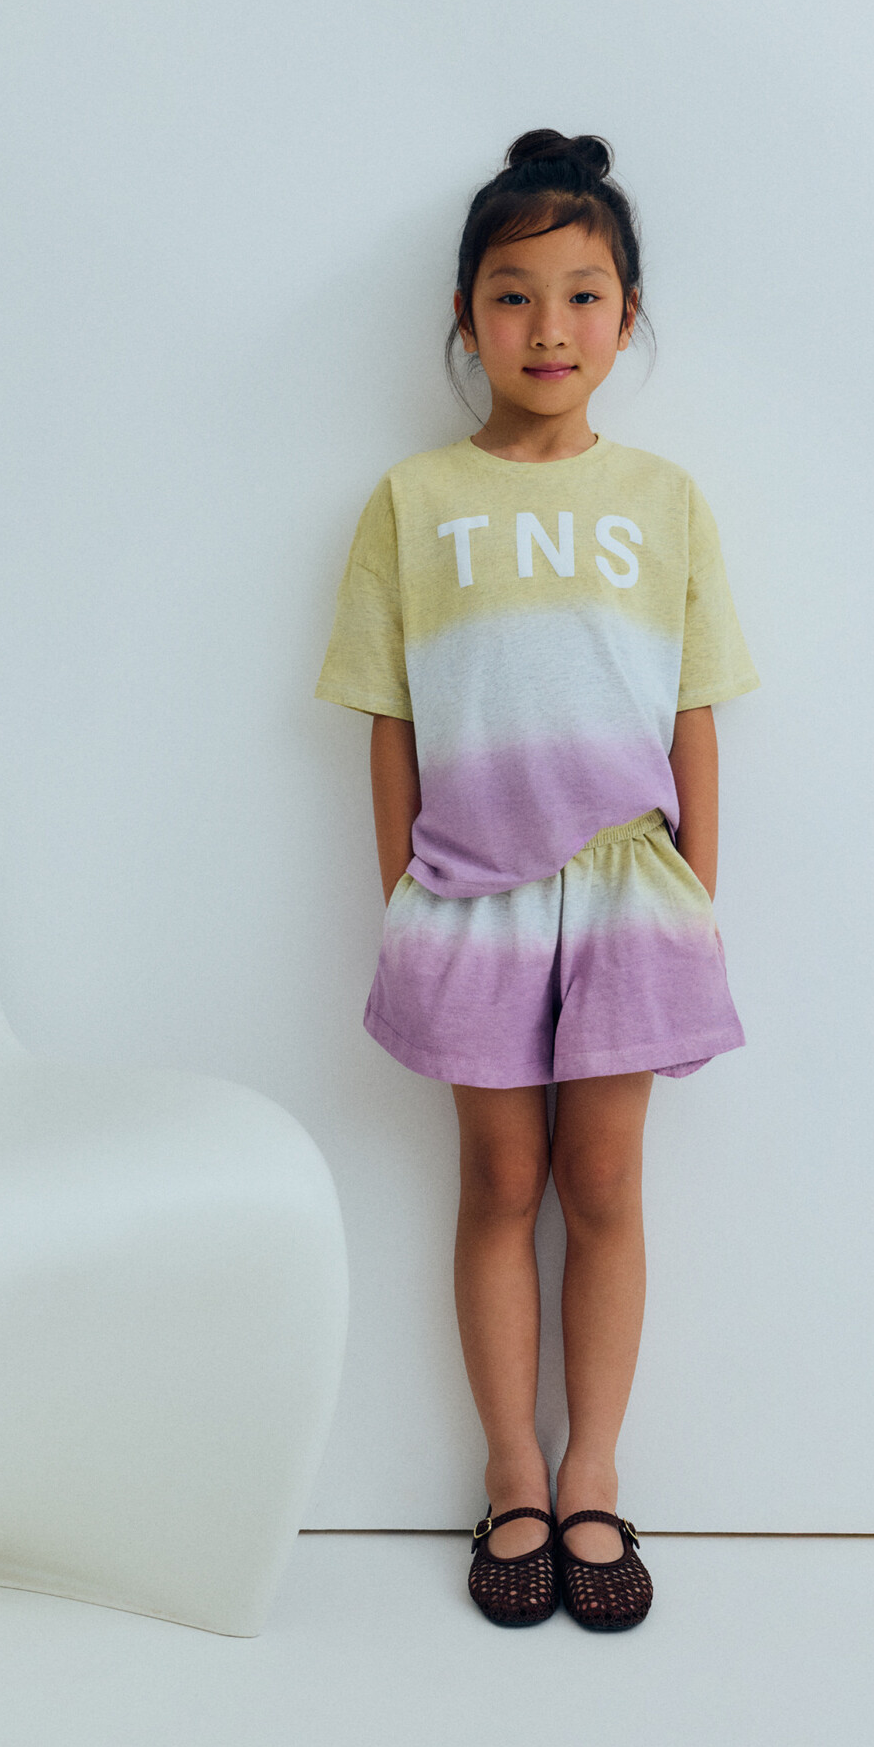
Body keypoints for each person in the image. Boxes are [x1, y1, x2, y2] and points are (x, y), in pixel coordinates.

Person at [315, 129, 759, 1631]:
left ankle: (593, 1474)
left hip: (631, 893)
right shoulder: (412, 501)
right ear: (465, 317)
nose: (548, 327)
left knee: (604, 1182)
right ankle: (512, 1468)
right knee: (500, 1178)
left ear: (626, 317)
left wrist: (698, 893)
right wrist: (406, 893)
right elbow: (387, 721)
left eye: (582, 295)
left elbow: (695, 712)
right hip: (471, 896)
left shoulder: (665, 500)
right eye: (513, 296)